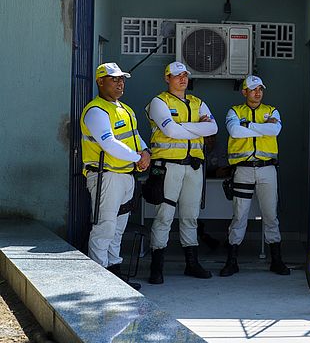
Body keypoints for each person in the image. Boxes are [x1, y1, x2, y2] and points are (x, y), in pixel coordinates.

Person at [145, 61, 219, 284]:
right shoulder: (159, 102)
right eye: (177, 75)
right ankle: (156, 267)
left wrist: (182, 127)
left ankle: (192, 263)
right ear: (167, 78)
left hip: (193, 167)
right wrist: (196, 126)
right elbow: (169, 130)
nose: (182, 79)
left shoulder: (198, 102)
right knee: (164, 216)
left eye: (185, 74)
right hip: (168, 167)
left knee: (190, 217)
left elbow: (213, 129)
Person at [80, 62, 150, 290]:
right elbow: (108, 143)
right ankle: (99, 277)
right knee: (105, 227)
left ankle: (114, 271)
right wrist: (137, 158)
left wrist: (145, 152)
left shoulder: (125, 109)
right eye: (114, 79)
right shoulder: (96, 110)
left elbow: (135, 137)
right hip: (106, 177)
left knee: (118, 228)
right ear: (100, 81)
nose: (120, 83)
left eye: (122, 79)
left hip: (126, 176)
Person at [219, 75, 290, 276]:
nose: (257, 92)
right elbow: (234, 131)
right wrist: (262, 128)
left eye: (260, 89)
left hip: (268, 169)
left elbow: (275, 130)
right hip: (243, 169)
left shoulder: (271, 110)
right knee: (239, 216)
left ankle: (276, 260)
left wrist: (248, 126)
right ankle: (231, 261)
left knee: (270, 215)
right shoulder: (234, 111)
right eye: (253, 89)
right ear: (244, 92)